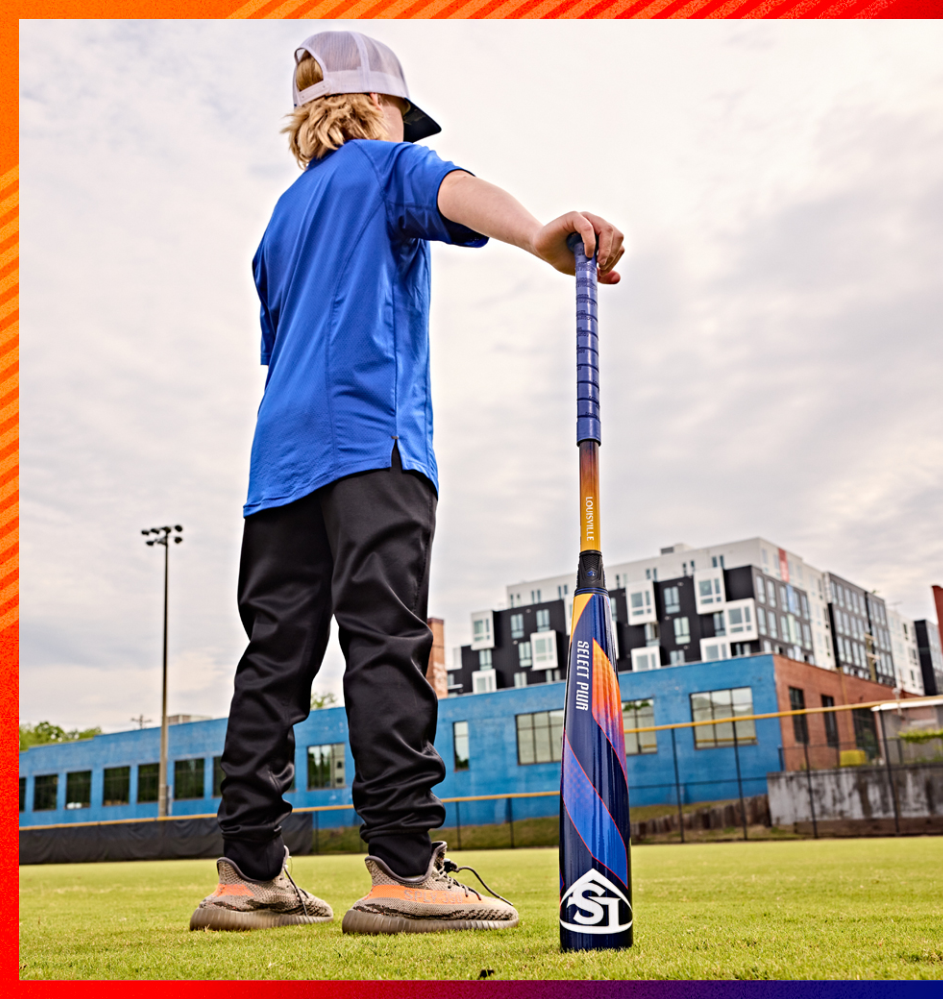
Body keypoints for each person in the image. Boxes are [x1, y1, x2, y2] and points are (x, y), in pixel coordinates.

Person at [190, 30, 624, 935]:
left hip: (277, 466)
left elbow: (277, 346)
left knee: (273, 659)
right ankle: (403, 867)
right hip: (370, 443)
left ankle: (246, 874)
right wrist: (542, 236)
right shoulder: (389, 164)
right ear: (375, 107)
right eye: (400, 113)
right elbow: (456, 190)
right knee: (383, 640)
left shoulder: (276, 221)